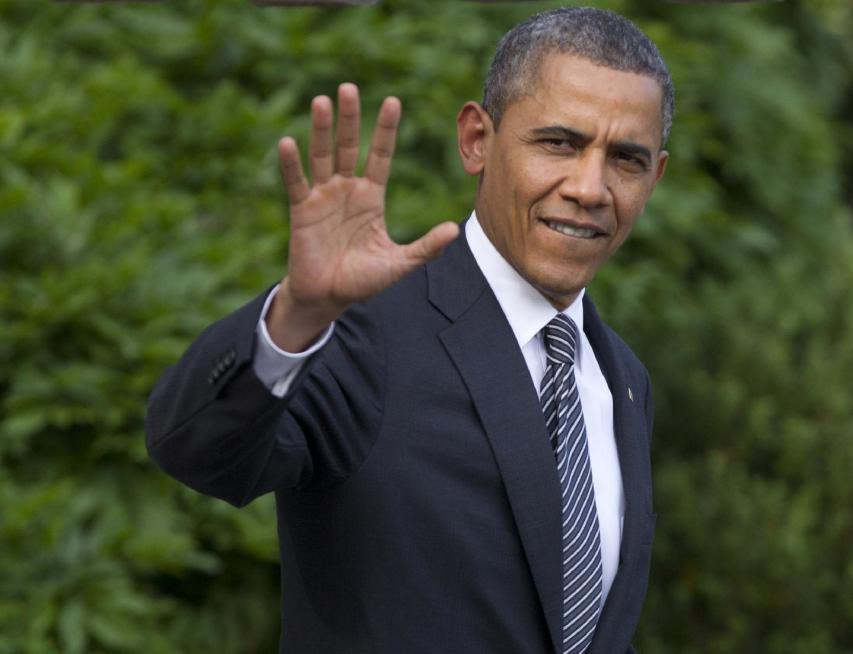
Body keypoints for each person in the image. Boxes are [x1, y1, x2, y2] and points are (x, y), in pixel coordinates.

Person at [146, 6, 671, 653]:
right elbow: (195, 452)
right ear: (477, 139)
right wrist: (298, 315)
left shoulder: (623, 382)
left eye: (625, 159)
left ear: (655, 177)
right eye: (559, 143)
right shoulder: (365, 331)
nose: (590, 187)